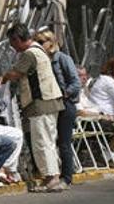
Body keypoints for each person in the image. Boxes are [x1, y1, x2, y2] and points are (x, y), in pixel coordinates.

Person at [0, 24, 64, 192]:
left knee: (41, 141)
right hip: (50, 101)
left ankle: (51, 178)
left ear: (17, 39)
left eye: (13, 43)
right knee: (48, 140)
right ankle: (53, 177)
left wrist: (4, 77)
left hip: (40, 102)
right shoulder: (39, 49)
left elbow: (16, 73)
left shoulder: (29, 53)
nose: (13, 48)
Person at [35, 28, 81, 187]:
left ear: (51, 42)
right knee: (48, 140)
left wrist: (64, 94)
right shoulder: (41, 59)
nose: (39, 45)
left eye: (41, 42)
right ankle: (51, 174)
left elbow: (76, 83)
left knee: (64, 141)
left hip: (64, 104)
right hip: (48, 104)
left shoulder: (62, 58)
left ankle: (67, 177)